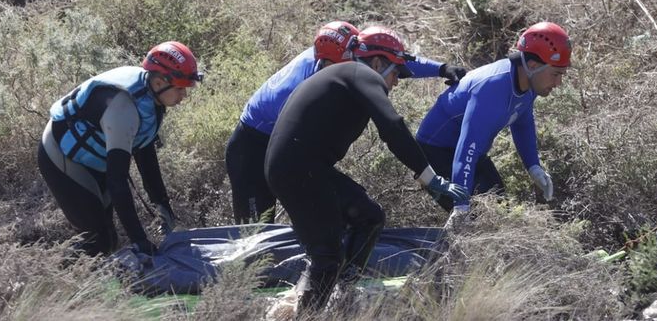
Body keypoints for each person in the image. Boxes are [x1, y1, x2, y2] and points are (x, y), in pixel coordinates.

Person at [264, 26, 468, 313]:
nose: (397, 82)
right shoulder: (361, 74)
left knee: (369, 217)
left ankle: (342, 293)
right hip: (298, 168)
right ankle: (310, 314)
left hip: (301, 166)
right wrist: (431, 179)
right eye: (396, 73)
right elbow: (393, 128)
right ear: (377, 64)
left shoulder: (350, 77)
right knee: (326, 256)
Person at [225, 21, 467, 224]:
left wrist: (442, 69)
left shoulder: (347, 50)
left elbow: (387, 58)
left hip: (286, 150)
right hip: (252, 148)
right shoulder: (308, 83)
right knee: (256, 232)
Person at [37, 41, 201, 256]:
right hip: (61, 156)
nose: (184, 96)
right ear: (161, 83)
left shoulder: (150, 95)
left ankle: (90, 281)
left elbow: (145, 152)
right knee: (98, 239)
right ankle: (50, 281)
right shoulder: (124, 108)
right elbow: (118, 181)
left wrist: (163, 204)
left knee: (108, 240)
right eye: (180, 89)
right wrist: (140, 241)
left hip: (93, 158)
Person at [415, 21, 571, 214]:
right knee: (476, 217)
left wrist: (533, 166)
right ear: (532, 65)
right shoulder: (492, 88)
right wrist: (461, 205)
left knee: (501, 210)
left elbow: (522, 123)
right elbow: (466, 150)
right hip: (435, 150)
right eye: (556, 74)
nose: (559, 83)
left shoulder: (530, 82)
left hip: (469, 151)